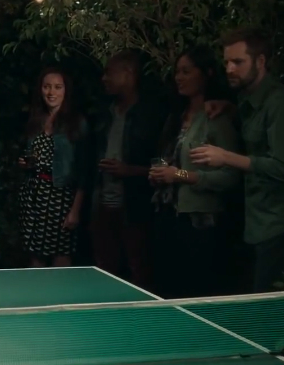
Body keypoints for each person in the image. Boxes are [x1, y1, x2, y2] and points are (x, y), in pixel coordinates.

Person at [192, 27, 284, 292]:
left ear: (260, 61)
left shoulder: (282, 104)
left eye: (238, 62)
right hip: (260, 223)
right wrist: (230, 109)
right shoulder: (248, 100)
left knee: (273, 310)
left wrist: (225, 157)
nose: (229, 69)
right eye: (227, 62)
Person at [148, 46, 241, 298]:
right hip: (166, 216)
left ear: (206, 74)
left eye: (186, 71)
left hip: (199, 223)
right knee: (166, 290)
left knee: (195, 292)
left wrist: (178, 175)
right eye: (177, 72)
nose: (179, 77)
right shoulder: (175, 117)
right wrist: (158, 173)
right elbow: (164, 156)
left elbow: (231, 177)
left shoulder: (216, 118)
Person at [88, 50, 168, 289]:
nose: (104, 78)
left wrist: (130, 170)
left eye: (109, 72)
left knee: (140, 270)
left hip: (135, 206)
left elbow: (166, 167)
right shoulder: (104, 113)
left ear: (128, 73)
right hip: (102, 204)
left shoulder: (152, 114)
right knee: (105, 270)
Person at [18, 67, 89, 267]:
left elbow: (84, 171)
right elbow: (31, 156)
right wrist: (25, 163)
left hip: (60, 198)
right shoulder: (36, 120)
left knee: (61, 254)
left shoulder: (76, 122)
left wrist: (75, 210)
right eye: (47, 87)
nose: (51, 92)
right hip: (33, 195)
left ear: (66, 91)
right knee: (34, 255)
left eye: (58, 87)